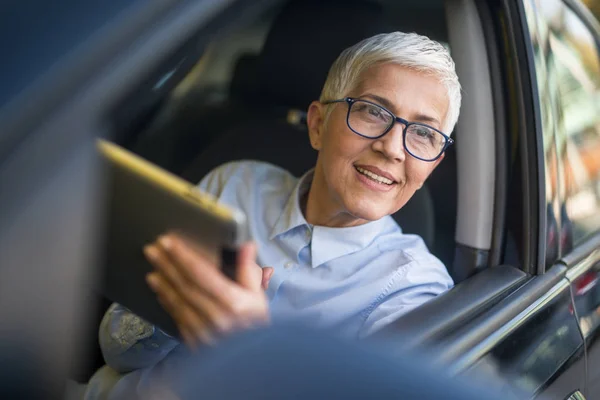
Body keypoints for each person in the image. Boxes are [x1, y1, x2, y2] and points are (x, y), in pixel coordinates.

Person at [86, 31, 461, 398]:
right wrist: (177, 303)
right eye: (372, 112)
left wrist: (253, 345)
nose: (393, 148)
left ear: (434, 164)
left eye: (424, 134)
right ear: (317, 125)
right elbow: (116, 352)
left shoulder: (414, 290)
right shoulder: (234, 184)